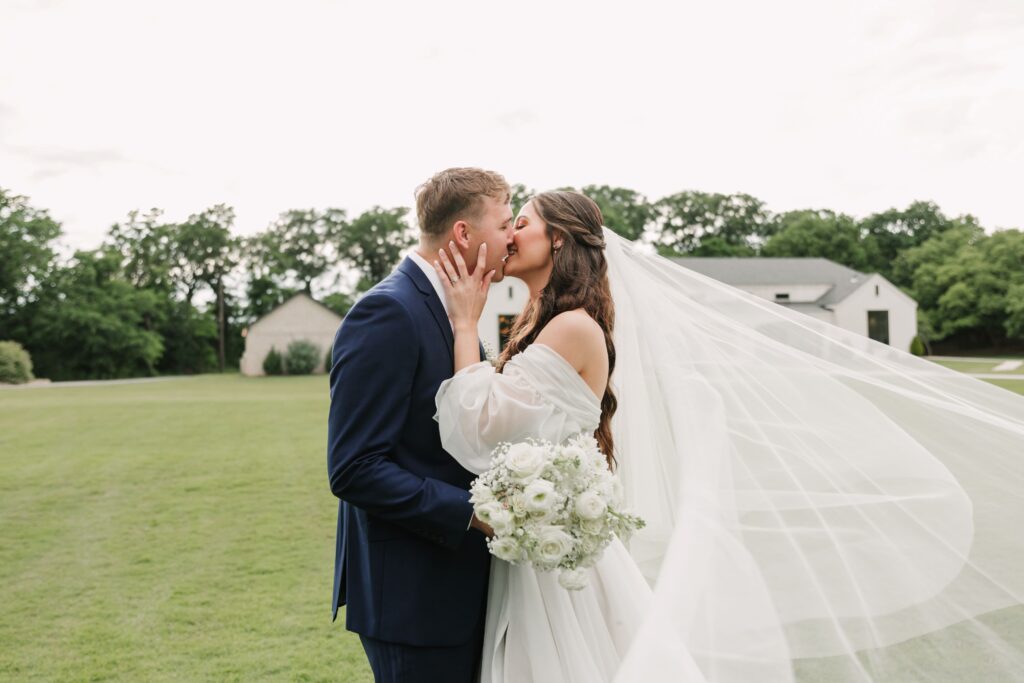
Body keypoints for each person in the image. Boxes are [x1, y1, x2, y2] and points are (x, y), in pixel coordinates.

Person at [434, 190, 1024, 682]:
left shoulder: (570, 325)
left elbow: (482, 428)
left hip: (552, 557)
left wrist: (464, 321)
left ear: (558, 239)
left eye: (523, 223)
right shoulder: (539, 315)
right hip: (540, 541)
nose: (510, 235)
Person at [327, 168, 515, 682]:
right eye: (504, 224)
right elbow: (354, 468)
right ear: (463, 234)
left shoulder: (458, 310)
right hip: (414, 599)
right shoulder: (388, 312)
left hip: (460, 586)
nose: (513, 237)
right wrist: (472, 513)